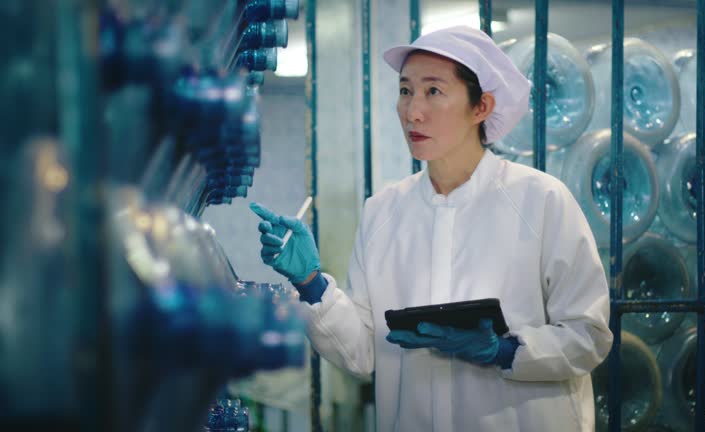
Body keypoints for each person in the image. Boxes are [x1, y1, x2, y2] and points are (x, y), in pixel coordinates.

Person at [249, 25, 613, 432]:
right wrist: (311, 283)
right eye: (405, 91)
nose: (412, 111)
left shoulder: (542, 201)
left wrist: (506, 350)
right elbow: (363, 355)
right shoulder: (383, 212)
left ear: (481, 107)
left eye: (433, 91)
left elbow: (589, 335)